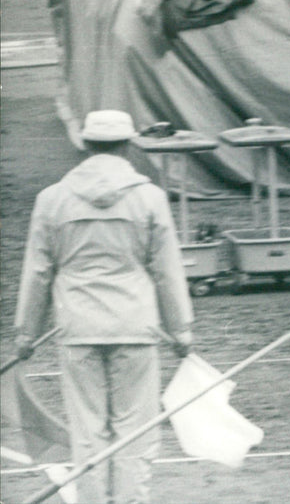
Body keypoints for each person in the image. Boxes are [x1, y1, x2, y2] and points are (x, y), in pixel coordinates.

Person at [14, 110, 194, 504]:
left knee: (88, 433)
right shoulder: (149, 198)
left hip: (77, 327)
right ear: (128, 145)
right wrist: (181, 330)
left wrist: (26, 334)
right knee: (136, 432)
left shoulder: (52, 199)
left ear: (84, 145)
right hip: (135, 326)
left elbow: (38, 272)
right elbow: (166, 270)